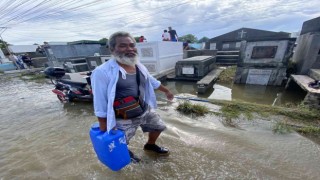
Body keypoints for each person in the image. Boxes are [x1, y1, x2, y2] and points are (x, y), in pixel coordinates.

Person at [91, 31, 174, 163]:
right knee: (119, 141)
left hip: (144, 109)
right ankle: (125, 153)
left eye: (132, 45)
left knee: (158, 127)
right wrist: (104, 126)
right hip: (122, 117)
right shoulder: (102, 72)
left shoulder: (139, 66)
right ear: (112, 49)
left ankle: (150, 145)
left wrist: (167, 91)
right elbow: (99, 101)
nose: (129, 49)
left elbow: (152, 81)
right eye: (123, 46)